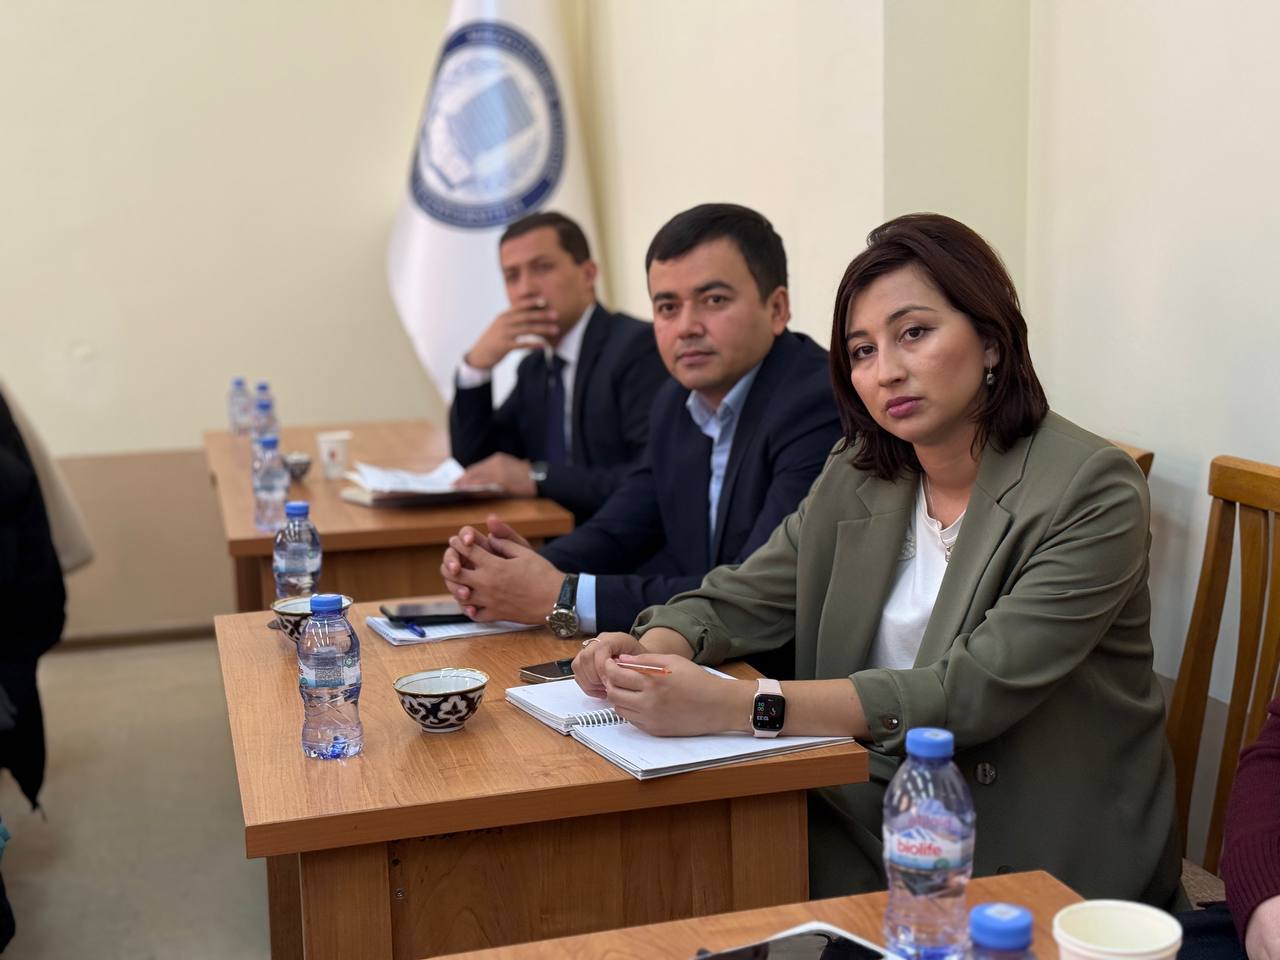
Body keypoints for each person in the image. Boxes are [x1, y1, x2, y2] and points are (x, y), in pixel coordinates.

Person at [571, 213, 1182, 906]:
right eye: (862, 350)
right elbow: (749, 591)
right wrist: (652, 652)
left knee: (697, 864)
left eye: (913, 333)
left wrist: (743, 706)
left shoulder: (1092, 487)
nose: (886, 371)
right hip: (863, 797)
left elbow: (968, 691)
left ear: (990, 339)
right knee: (649, 850)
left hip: (1017, 848)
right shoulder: (860, 469)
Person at [441, 205, 841, 675]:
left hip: (774, 679)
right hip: (695, 661)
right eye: (668, 307)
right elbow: (626, 522)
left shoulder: (815, 402)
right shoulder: (676, 399)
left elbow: (750, 592)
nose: (686, 326)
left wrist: (564, 593)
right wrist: (514, 568)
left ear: (777, 309)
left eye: (713, 300)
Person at [448, 211, 668, 523]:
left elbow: (650, 478)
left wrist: (537, 476)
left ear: (588, 274)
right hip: (554, 531)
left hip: (625, 540)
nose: (526, 289)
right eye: (512, 276)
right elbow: (479, 465)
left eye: (542, 268)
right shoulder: (535, 367)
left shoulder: (636, 348)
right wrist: (476, 368)